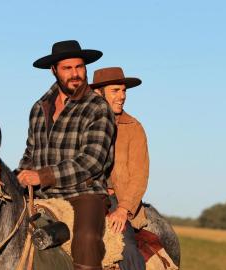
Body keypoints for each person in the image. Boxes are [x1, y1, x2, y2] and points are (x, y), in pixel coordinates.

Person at [17, 40, 115, 270]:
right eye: (67, 68)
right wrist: (19, 175)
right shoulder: (38, 108)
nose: (75, 74)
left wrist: (42, 176)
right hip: (40, 194)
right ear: (54, 70)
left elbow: (92, 161)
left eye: (79, 67)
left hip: (83, 194)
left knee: (87, 241)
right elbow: (31, 152)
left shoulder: (98, 107)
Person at [91, 67, 149, 270]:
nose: (122, 96)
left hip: (117, 201)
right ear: (99, 93)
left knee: (128, 251)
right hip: (84, 198)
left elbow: (139, 175)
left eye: (124, 91)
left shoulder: (133, 127)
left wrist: (123, 210)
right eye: (115, 90)